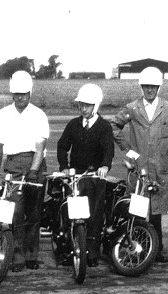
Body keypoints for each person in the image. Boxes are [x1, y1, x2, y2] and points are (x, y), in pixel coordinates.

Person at [110, 66, 168, 263]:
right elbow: (113, 125)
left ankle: (157, 250)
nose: (149, 90)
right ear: (141, 87)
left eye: (153, 87)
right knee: (138, 209)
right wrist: (127, 148)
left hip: (159, 168)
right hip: (138, 166)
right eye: (146, 86)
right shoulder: (132, 108)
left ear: (158, 87)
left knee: (156, 212)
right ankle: (140, 247)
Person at [0, 70, 50, 272]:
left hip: (35, 164)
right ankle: (16, 256)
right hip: (13, 164)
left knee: (34, 213)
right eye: (16, 93)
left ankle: (32, 255)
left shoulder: (39, 115)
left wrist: (34, 170)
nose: (20, 97)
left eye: (24, 93)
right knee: (15, 212)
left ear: (30, 93)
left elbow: (40, 146)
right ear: (12, 94)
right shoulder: (3, 115)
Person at [57, 83, 114, 266]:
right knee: (71, 213)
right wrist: (64, 166)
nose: (83, 108)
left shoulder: (104, 126)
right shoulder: (73, 124)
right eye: (80, 105)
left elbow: (108, 150)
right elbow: (62, 146)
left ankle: (92, 253)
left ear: (96, 106)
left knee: (95, 214)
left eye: (87, 105)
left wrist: (105, 166)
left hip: (96, 177)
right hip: (76, 177)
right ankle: (70, 249)